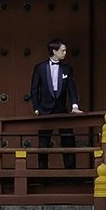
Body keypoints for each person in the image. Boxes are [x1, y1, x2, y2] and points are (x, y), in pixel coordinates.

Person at [29, 39, 82, 168]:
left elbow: (72, 89)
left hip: (62, 110)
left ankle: (71, 173)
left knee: (68, 140)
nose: (65, 53)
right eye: (62, 50)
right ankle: (42, 174)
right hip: (44, 111)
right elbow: (34, 89)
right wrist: (36, 108)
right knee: (43, 144)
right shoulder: (40, 68)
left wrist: (75, 106)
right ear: (54, 51)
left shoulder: (67, 69)